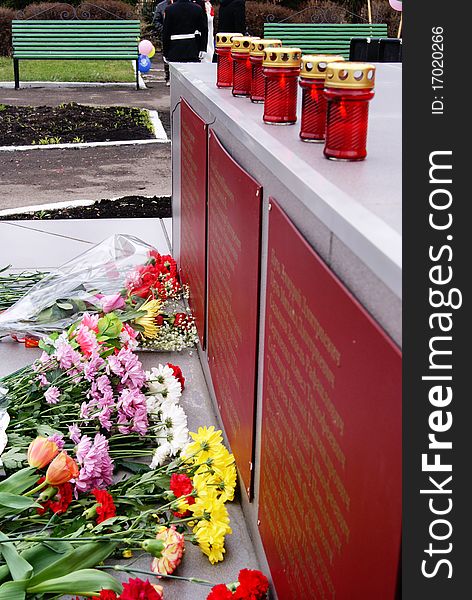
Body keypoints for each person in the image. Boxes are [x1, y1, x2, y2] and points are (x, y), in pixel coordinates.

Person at [162, 0, 208, 66]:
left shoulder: (170, 9)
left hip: (174, 49)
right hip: (192, 49)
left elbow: (166, 33)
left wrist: (165, 52)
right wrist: (203, 48)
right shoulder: (197, 8)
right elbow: (204, 30)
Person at [152, 0, 173, 85]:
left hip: (179, 34)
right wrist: (164, 30)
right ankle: (168, 78)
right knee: (166, 55)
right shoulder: (161, 6)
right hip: (166, 35)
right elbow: (156, 21)